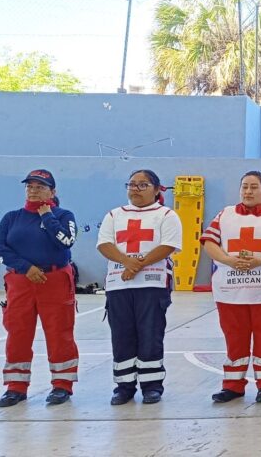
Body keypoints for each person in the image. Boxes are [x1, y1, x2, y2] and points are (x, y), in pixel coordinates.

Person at [200, 171, 261, 404]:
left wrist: (260, 260)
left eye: (254, 187)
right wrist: (228, 260)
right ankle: (232, 386)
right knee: (234, 337)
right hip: (230, 291)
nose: (248, 192)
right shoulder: (225, 214)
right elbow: (209, 242)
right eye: (244, 187)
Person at [0, 169, 79, 407]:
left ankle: (62, 385)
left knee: (59, 333)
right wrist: (25, 267)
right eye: (30, 186)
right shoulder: (11, 218)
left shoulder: (63, 215)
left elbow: (66, 241)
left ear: (52, 191)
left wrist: (47, 217)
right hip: (20, 282)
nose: (33, 190)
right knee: (17, 333)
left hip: (55, 281)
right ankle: (15, 387)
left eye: (40, 187)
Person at [97, 169, 182, 405]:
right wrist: (127, 262)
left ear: (156, 190)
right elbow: (104, 244)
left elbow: (168, 245)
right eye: (132, 184)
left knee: (150, 334)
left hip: (152, 284)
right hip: (118, 284)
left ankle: (152, 386)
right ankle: (124, 387)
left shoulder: (166, 215)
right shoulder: (114, 215)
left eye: (143, 185)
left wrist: (135, 265)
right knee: (122, 336)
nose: (135, 189)